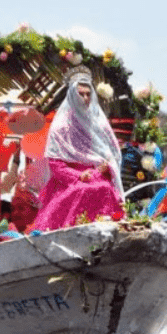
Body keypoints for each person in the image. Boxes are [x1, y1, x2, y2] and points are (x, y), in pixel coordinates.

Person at [29, 68, 124, 231]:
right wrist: (79, 176)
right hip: (69, 183)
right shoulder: (61, 127)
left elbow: (112, 157)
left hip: (99, 177)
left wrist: (107, 167)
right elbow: (55, 164)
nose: (86, 98)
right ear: (73, 95)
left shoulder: (99, 126)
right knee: (83, 190)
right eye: (81, 94)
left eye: (88, 94)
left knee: (104, 188)